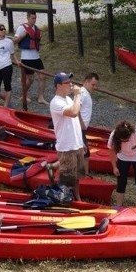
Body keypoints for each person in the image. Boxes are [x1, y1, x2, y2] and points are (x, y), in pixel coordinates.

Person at [49, 72, 85, 201]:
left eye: (70, 82)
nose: (70, 84)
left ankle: (77, 198)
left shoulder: (69, 99)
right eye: (67, 83)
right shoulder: (56, 102)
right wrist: (78, 94)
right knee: (66, 178)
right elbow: (74, 113)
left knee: (77, 176)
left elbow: (74, 122)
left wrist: (81, 142)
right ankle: (63, 200)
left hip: (76, 143)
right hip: (66, 146)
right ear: (59, 86)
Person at [107, 120, 136, 207]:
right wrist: (114, 167)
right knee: (121, 182)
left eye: (127, 140)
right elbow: (111, 150)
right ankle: (118, 206)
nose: (125, 142)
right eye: (122, 141)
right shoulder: (114, 135)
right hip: (123, 157)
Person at [14, 10, 47, 109]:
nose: (34, 20)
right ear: (28, 18)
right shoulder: (21, 28)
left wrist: (39, 38)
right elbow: (14, 41)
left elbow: (36, 42)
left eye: (35, 18)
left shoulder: (36, 29)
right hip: (26, 58)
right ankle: (23, 94)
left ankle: (40, 97)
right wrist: (22, 35)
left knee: (42, 76)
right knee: (30, 79)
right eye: (32, 18)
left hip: (36, 57)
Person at [78, 72, 99, 174]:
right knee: (85, 153)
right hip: (79, 128)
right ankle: (85, 176)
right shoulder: (82, 93)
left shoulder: (85, 93)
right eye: (93, 84)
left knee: (85, 153)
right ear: (86, 81)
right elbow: (76, 108)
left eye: (96, 85)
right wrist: (81, 123)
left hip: (82, 128)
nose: (94, 87)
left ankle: (85, 174)